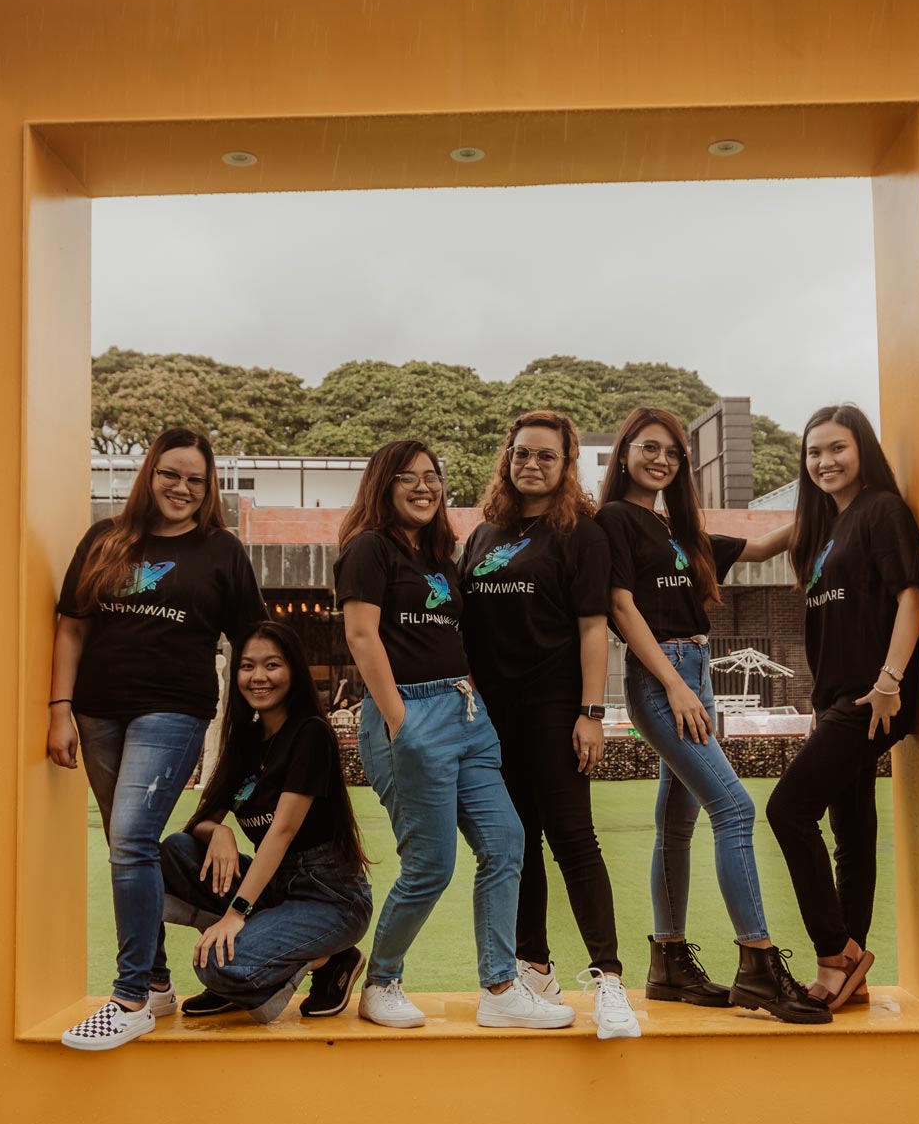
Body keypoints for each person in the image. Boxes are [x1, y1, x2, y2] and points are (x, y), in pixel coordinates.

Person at [596, 406, 826, 1025]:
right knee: (735, 807)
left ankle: (669, 961)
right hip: (663, 674)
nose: (661, 459)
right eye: (649, 448)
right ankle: (758, 964)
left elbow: (760, 546)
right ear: (625, 455)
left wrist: (833, 496)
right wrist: (673, 685)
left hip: (697, 670)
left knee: (677, 822)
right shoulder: (616, 519)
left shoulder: (678, 528)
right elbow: (619, 604)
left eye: (672, 452)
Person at [336, 439, 572, 1030]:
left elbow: (452, 637)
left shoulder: (442, 556)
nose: (424, 487)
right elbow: (363, 638)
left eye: (432, 477)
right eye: (408, 478)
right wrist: (399, 720)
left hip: (466, 712)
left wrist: (473, 701)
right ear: (383, 485)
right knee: (430, 866)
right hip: (410, 716)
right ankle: (381, 981)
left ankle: (499, 986)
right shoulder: (369, 549)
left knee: (506, 842)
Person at [48, 426, 268, 1051]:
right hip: (96, 712)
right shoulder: (105, 540)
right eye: (172, 474)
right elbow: (70, 628)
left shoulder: (221, 550)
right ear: (150, 474)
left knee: (133, 837)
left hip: (173, 711)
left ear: (209, 489)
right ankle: (159, 983)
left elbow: (253, 639)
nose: (182, 488)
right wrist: (60, 708)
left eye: (196, 480)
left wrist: (262, 719)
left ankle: (130, 997)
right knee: (129, 846)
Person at [463, 410, 638, 1039]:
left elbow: (596, 628)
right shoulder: (483, 534)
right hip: (492, 718)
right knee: (515, 842)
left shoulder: (581, 535)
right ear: (506, 459)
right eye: (521, 454)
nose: (531, 465)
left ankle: (610, 982)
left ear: (567, 465)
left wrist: (592, 713)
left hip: (556, 708)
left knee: (572, 836)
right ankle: (533, 970)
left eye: (546, 456)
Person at [762, 405, 919, 1014]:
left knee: (787, 808)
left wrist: (890, 680)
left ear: (862, 450)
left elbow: (911, 595)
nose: (825, 462)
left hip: (872, 697)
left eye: (837, 449)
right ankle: (847, 971)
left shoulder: (881, 510)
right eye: (814, 453)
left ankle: (835, 953)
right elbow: (754, 550)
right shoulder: (825, 529)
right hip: (837, 700)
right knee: (851, 834)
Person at [157, 621, 373, 1022]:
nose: (259, 677)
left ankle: (332, 961)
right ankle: (253, 965)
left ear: (292, 670)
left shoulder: (310, 733)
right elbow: (198, 823)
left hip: (330, 897)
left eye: (272, 665)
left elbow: (283, 831)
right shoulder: (245, 742)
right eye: (248, 666)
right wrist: (218, 830)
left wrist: (235, 914)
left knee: (216, 966)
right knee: (176, 851)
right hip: (274, 887)